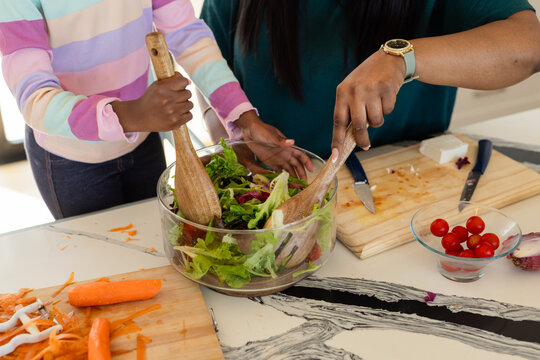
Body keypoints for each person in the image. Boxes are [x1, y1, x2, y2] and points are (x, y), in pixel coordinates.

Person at [0, 0, 308, 219]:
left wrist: (243, 115)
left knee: (152, 245)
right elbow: (34, 97)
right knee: (101, 263)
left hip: (145, 140)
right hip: (71, 161)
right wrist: (132, 114)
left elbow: (187, 33)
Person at [199, 0, 540, 161]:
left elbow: (530, 44)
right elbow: (210, 72)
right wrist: (233, 142)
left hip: (402, 184)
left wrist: (403, 58)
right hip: (272, 192)